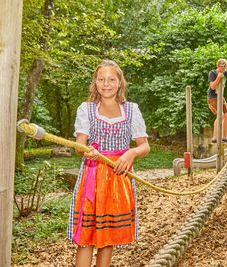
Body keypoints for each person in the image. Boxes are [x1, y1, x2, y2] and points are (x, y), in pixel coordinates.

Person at [67, 59, 150, 267]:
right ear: (95, 83)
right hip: (92, 179)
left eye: (111, 79)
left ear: (120, 83)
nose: (106, 84)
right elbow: (79, 145)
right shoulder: (86, 109)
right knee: (86, 238)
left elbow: (144, 146)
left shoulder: (131, 110)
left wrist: (131, 153)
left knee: (107, 239)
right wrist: (88, 151)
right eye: (101, 79)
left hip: (117, 178)